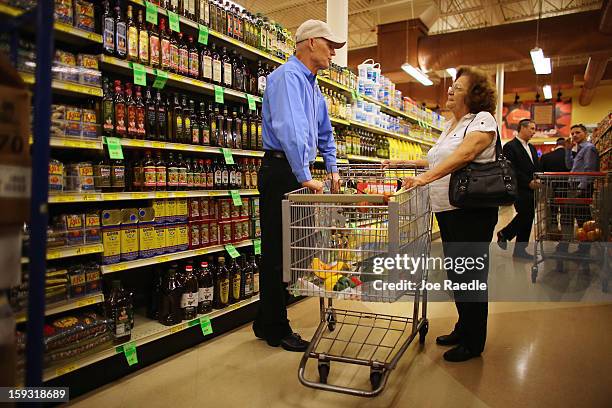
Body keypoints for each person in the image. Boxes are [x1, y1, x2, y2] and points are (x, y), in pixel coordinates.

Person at [386, 67, 498, 362]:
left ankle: (474, 342)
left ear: (474, 95)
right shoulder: (451, 124)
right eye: (452, 86)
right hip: (447, 210)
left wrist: (423, 179)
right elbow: (440, 157)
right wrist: (404, 162)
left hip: (470, 212)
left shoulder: (482, 121)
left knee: (470, 275)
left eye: (458, 87)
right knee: (456, 274)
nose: (450, 90)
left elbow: (464, 155)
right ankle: (464, 327)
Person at [252, 20, 344, 352]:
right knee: (279, 253)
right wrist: (304, 174)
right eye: (330, 44)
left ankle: (264, 320)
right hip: (282, 171)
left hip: (298, 172)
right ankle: (276, 329)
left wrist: (332, 167)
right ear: (309, 43)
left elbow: (324, 131)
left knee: (294, 251)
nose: (334, 51)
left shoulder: (313, 86)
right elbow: (289, 128)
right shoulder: (286, 78)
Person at [496, 119, 539, 259]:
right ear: (522, 128)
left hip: (533, 188)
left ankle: (519, 250)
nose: (534, 132)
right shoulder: (510, 146)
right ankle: (505, 234)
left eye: (534, 129)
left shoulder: (531, 148)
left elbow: (535, 166)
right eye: (531, 128)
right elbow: (511, 169)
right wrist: (528, 182)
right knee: (525, 214)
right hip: (519, 187)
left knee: (528, 217)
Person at [557, 124, 600, 255]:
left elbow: (589, 170)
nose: (574, 135)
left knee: (582, 219)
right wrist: (568, 150)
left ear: (585, 133)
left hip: (581, 188)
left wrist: (580, 189)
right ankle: (577, 247)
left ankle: (582, 249)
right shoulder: (579, 149)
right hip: (575, 187)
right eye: (573, 133)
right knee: (576, 217)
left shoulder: (589, 148)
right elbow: (569, 166)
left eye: (578, 132)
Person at [540, 138, 569, 230]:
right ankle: (566, 231)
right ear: (565, 145)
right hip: (567, 188)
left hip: (550, 187)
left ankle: (553, 229)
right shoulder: (571, 155)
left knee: (551, 209)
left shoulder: (545, 157)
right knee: (567, 211)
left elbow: (540, 173)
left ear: (556, 145)